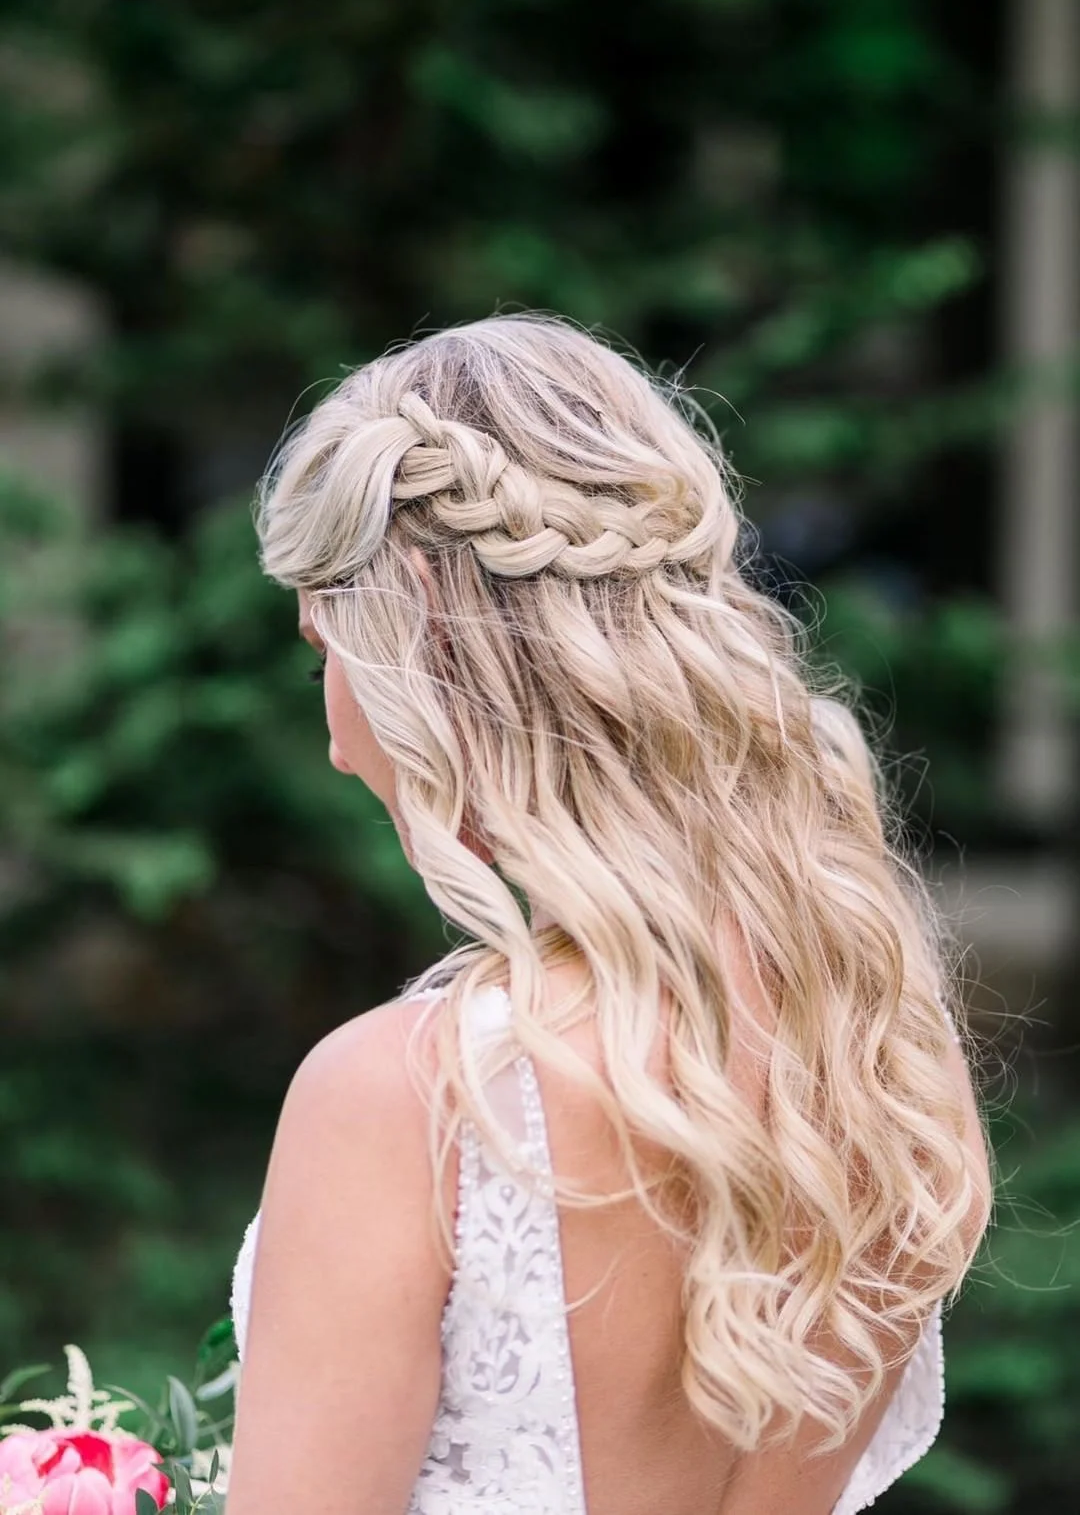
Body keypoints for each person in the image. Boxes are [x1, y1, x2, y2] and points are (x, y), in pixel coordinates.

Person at [227, 315, 991, 1515]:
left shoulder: (404, 1098)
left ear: (414, 611)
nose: (333, 737)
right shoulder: (879, 1048)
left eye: (322, 634)